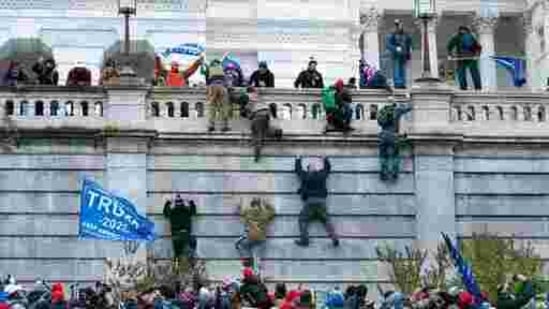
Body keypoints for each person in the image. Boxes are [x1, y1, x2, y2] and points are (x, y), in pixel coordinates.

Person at [294, 156, 339, 247]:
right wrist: (325, 159)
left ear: (308, 169)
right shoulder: (321, 175)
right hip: (321, 201)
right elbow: (327, 169)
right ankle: (334, 238)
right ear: (316, 169)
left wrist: (298, 159)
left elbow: (298, 170)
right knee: (326, 220)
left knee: (302, 219)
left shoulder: (305, 175)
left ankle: (305, 240)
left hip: (310, 201)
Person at [243, 87, 283, 161]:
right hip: (265, 115)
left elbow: (249, 113)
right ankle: (276, 132)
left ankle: (257, 156)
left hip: (258, 117)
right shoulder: (260, 99)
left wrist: (247, 114)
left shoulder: (250, 100)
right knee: (264, 131)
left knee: (258, 136)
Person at [235, 197, 275, 270]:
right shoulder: (264, 213)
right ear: (260, 205)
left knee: (240, 244)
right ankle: (257, 266)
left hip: (250, 237)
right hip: (261, 238)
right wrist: (267, 204)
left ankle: (248, 260)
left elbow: (239, 212)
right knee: (257, 254)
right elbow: (272, 212)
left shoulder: (247, 211)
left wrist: (239, 205)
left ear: (251, 204)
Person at [377, 99, 412, 181]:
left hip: (383, 135)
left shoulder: (382, 111)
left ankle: (383, 173)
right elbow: (409, 108)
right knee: (395, 155)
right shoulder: (397, 110)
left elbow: (379, 122)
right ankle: (394, 174)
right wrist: (408, 99)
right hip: (393, 135)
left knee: (383, 155)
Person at [447, 26, 482, 90]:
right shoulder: (471, 36)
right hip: (468, 57)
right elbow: (479, 47)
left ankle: (466, 87)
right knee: (468, 72)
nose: (463, 32)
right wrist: (477, 56)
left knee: (466, 72)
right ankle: (476, 87)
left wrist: (450, 54)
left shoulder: (458, 36)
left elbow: (449, 46)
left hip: (465, 57)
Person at [163, 195, 197, 261]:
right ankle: (190, 263)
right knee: (188, 251)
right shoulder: (186, 211)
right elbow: (193, 212)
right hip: (185, 233)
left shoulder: (172, 212)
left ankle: (177, 266)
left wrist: (168, 203)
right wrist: (191, 202)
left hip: (176, 234)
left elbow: (165, 213)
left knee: (177, 253)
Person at [202, 59, 231, 132]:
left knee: (212, 107)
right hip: (222, 87)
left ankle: (211, 126)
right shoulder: (222, 69)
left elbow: (205, 77)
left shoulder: (209, 68)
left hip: (212, 87)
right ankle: (224, 126)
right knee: (224, 107)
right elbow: (227, 81)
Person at [385, 19, 412, 89]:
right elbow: (388, 45)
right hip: (396, 55)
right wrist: (395, 48)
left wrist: (408, 54)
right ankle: (397, 83)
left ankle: (402, 82)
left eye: (401, 24)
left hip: (403, 54)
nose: (400, 26)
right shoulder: (392, 35)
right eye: (398, 25)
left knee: (403, 69)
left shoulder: (406, 35)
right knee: (396, 68)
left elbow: (408, 45)